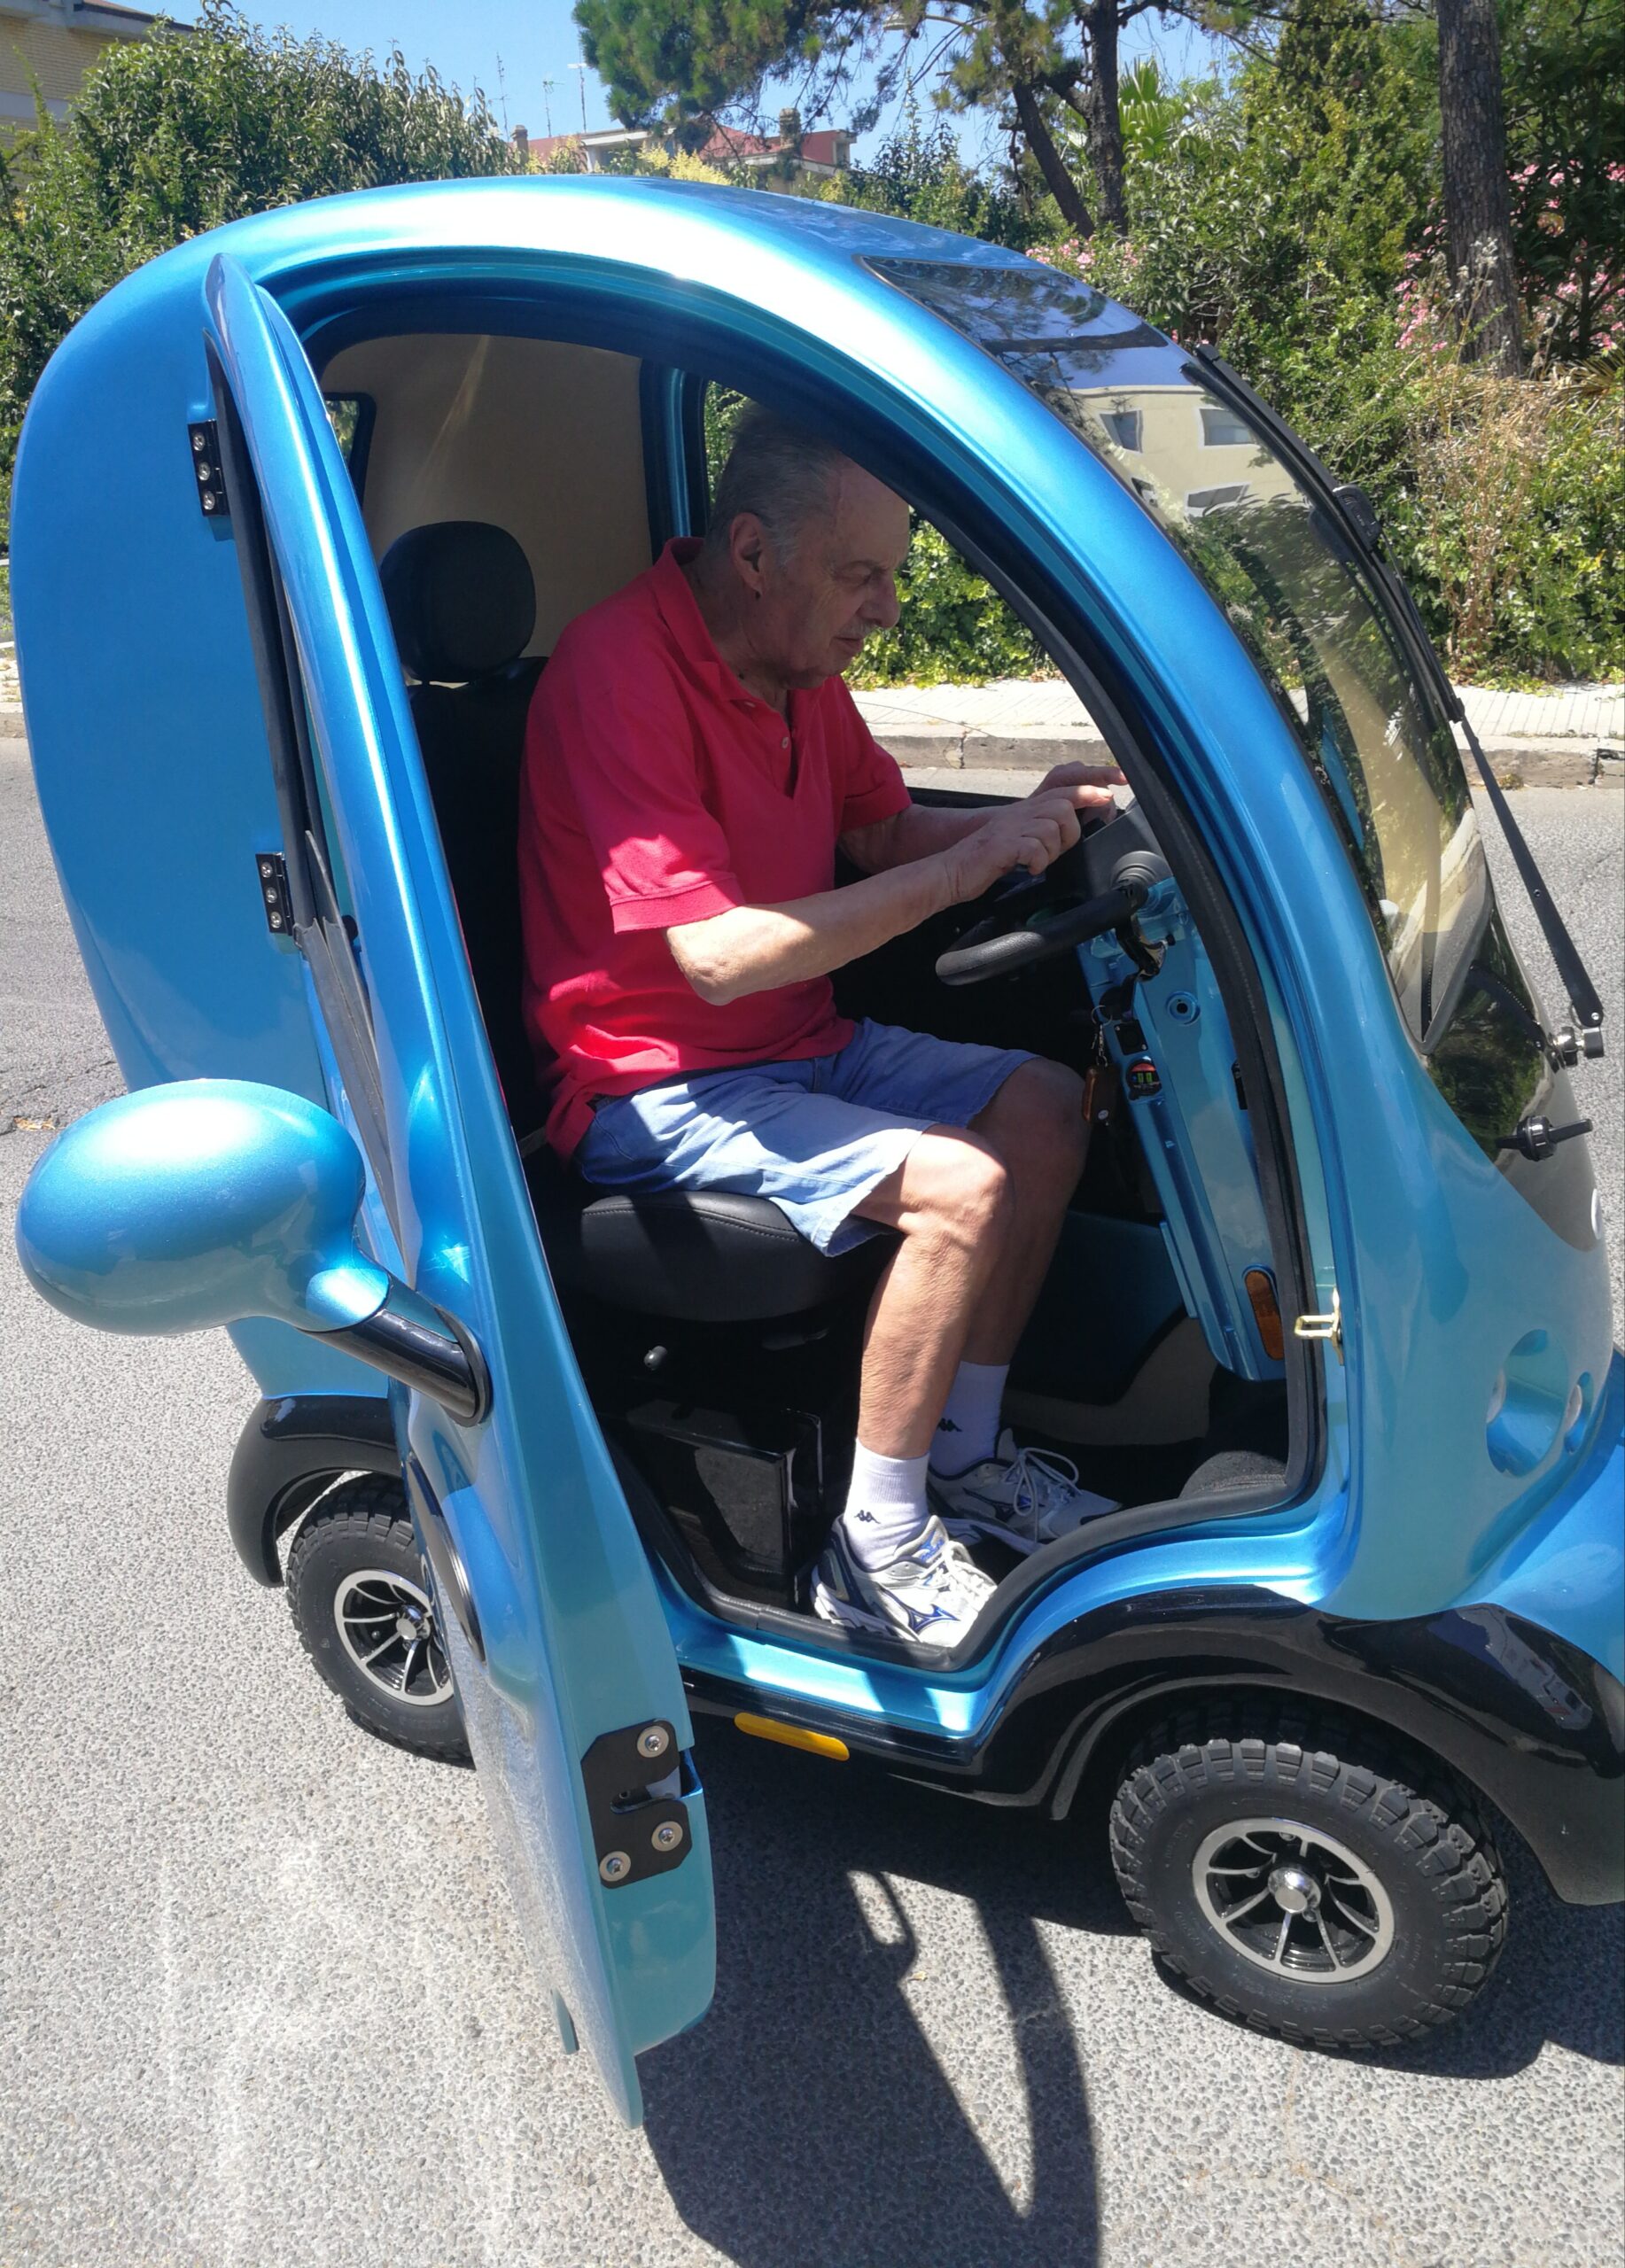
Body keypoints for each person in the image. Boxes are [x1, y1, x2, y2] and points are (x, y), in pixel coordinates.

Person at [518, 406, 1122, 1648]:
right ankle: (876, 1545)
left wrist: (1031, 818)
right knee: (961, 1189)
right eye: (861, 576)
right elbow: (715, 959)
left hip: (794, 1045)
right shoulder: (617, 671)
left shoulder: (795, 670)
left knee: (1046, 1107)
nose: (885, 611)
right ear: (753, 554)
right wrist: (961, 873)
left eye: (889, 577)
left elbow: (881, 832)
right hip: (653, 1087)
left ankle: (962, 1458)